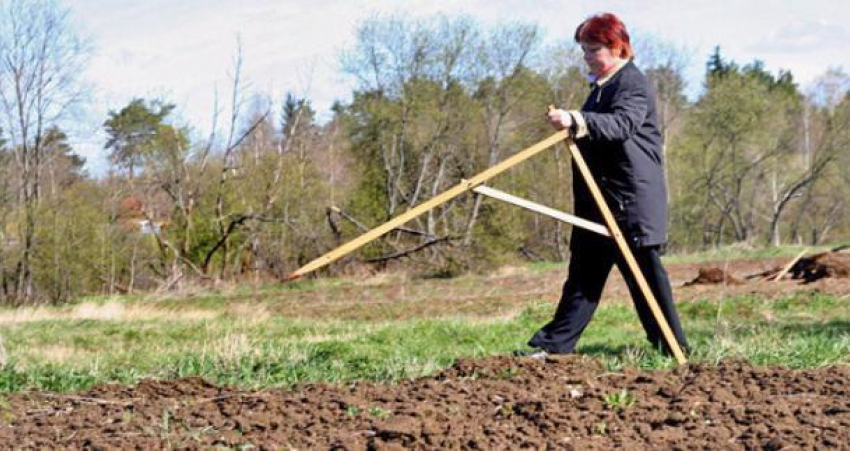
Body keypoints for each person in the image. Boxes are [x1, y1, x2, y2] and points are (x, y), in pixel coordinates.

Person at [524, 12, 688, 357]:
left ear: (616, 47)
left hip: (629, 203)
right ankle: (553, 347)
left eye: (593, 50)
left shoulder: (631, 83)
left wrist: (575, 119)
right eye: (584, 50)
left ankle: (673, 350)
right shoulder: (599, 90)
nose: (587, 57)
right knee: (583, 277)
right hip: (598, 203)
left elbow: (622, 124)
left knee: (646, 280)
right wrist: (575, 122)